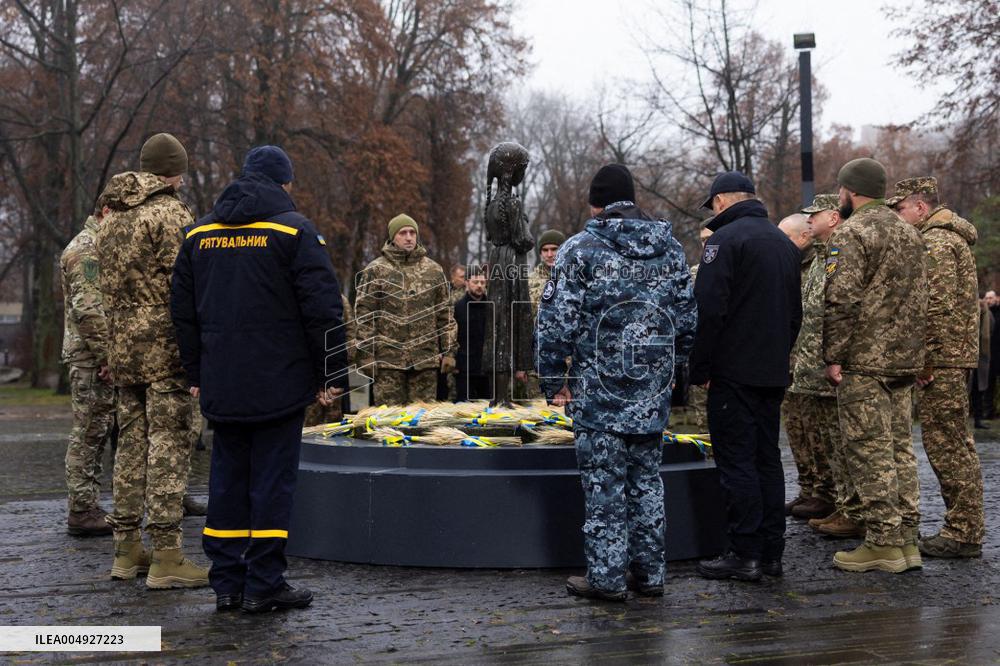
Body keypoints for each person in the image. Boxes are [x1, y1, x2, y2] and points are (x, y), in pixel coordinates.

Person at [171, 145, 348, 613]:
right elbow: (323, 310)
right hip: (279, 383)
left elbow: (183, 315)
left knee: (226, 481)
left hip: (222, 383)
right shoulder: (295, 232)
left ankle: (227, 582)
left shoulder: (197, 235)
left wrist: (195, 371)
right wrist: (332, 374)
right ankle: (264, 582)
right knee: (272, 482)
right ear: (284, 183)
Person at [537, 163, 697, 601]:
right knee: (646, 481)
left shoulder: (580, 249)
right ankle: (651, 575)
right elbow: (686, 321)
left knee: (604, 485)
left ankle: (607, 579)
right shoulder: (669, 250)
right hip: (650, 393)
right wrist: (672, 374)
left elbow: (554, 323)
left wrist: (553, 382)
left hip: (598, 396)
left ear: (596, 204)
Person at [97, 133, 207, 588]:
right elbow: (189, 282)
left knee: (130, 444)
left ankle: (126, 550)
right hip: (165, 345)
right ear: (174, 170)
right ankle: (167, 555)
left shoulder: (111, 216)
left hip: (123, 345)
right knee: (169, 443)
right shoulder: (171, 213)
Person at [689, 170, 802, 582]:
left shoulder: (724, 241)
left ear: (720, 202)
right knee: (767, 459)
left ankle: (744, 551)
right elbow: (795, 315)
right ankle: (772, 552)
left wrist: (699, 367)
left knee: (737, 461)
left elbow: (709, 310)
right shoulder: (783, 244)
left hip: (733, 373)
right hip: (771, 371)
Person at [824, 158, 928, 573]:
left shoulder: (852, 232)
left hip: (865, 361)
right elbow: (923, 300)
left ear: (851, 191)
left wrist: (834, 355)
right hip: (903, 359)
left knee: (870, 450)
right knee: (901, 448)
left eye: (841, 190)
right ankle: (906, 540)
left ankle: (883, 542)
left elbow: (841, 299)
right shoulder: (910, 232)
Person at [889, 176, 984, 558]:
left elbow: (935, 306)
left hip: (942, 358)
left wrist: (925, 359)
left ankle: (963, 531)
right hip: (948, 354)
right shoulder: (942, 238)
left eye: (900, 209)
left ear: (920, 208)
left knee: (948, 444)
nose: (897, 216)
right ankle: (965, 527)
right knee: (951, 441)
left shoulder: (937, 241)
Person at [792, 195, 864, 538]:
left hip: (832, 367)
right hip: (813, 367)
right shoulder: (820, 257)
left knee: (843, 443)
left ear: (833, 217)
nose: (808, 221)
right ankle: (840, 504)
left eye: (814, 215)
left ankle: (853, 510)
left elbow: (840, 311)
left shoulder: (842, 252)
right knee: (829, 444)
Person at [355, 214, 457, 405]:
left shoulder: (434, 271)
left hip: (425, 361)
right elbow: (364, 314)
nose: (409, 237)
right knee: (389, 422)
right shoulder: (376, 270)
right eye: (403, 233)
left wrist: (449, 352)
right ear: (393, 237)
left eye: (412, 232)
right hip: (388, 362)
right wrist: (366, 354)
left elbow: (446, 314)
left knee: (420, 422)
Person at [60, 199, 115, 537]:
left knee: (95, 431)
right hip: (89, 358)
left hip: (92, 355)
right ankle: (81, 509)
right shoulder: (86, 250)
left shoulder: (95, 246)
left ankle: (88, 505)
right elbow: (89, 311)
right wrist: (107, 356)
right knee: (88, 433)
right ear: (106, 211)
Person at [777, 213, 836, 521]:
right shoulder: (790, 265)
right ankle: (810, 488)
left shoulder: (819, 265)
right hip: (793, 362)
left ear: (803, 237)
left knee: (818, 432)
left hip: (813, 363)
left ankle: (826, 492)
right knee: (797, 430)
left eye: (784, 237)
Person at [454, 266, 490, 401]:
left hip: (487, 370)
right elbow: (452, 336)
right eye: (475, 282)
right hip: (464, 369)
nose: (479, 286)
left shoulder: (492, 306)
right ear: (467, 283)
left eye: (482, 282)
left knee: (489, 411)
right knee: (464, 409)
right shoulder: (458, 307)